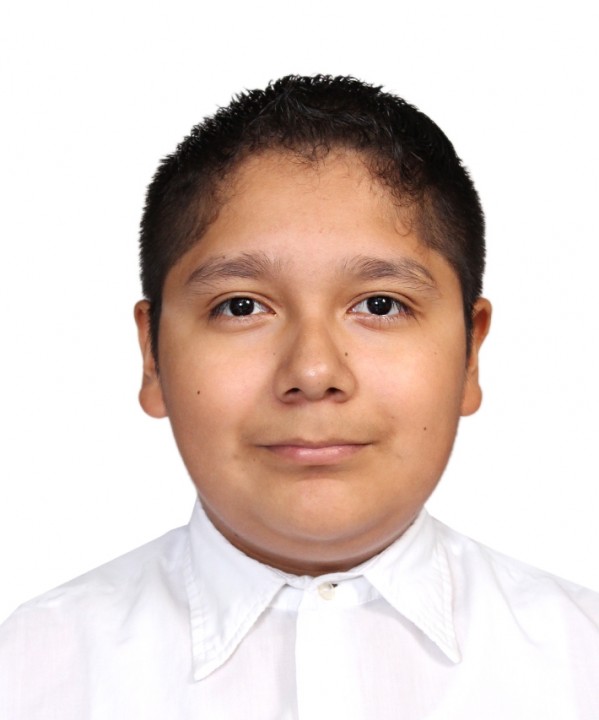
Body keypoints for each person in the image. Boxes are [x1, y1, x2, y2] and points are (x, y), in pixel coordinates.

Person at [1, 75, 597, 719]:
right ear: (153, 355)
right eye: (241, 306)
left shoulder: (579, 662)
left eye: (380, 305)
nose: (313, 372)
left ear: (470, 353)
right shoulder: (27, 674)